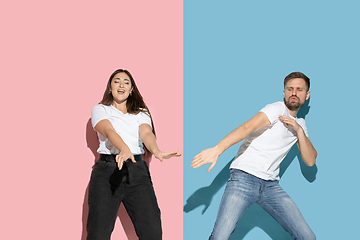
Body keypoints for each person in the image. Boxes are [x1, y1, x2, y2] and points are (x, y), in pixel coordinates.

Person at [191, 72, 317, 240]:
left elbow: (310, 160)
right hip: (243, 178)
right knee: (219, 237)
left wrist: (299, 130)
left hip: (271, 186)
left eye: (299, 90)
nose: (294, 93)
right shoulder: (276, 109)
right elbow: (247, 127)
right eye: (290, 89)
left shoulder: (300, 125)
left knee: (308, 237)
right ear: (284, 92)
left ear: (307, 95)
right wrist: (218, 149)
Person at [87, 69, 181, 240]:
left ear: (131, 90)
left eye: (126, 82)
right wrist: (123, 148)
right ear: (110, 87)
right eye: (116, 81)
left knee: (152, 232)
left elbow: (146, 133)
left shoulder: (141, 112)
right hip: (107, 172)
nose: (121, 84)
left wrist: (156, 150)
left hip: (136, 172)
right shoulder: (100, 109)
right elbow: (108, 130)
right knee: (98, 233)